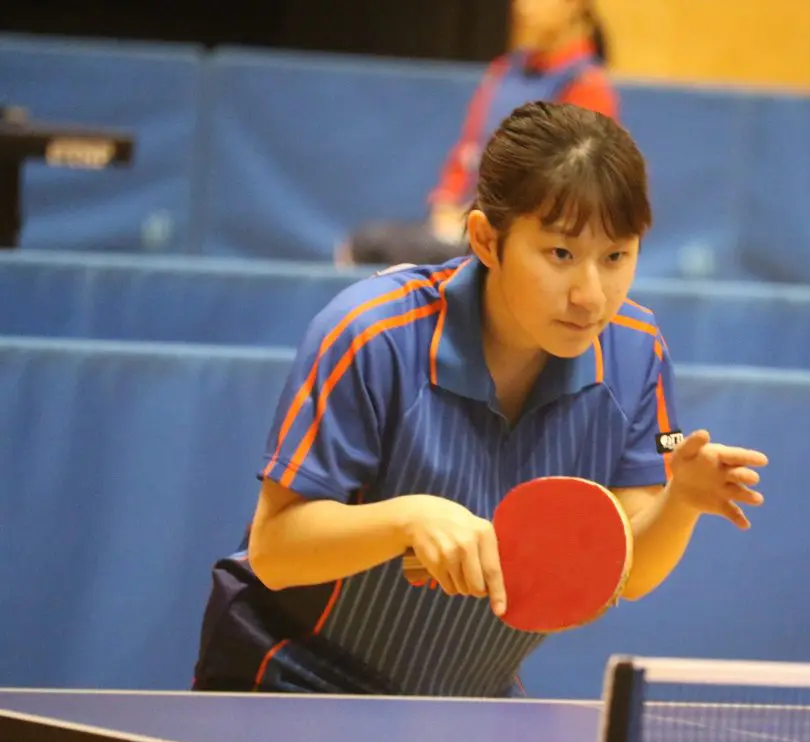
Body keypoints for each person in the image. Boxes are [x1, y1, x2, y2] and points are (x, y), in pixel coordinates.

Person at [192, 101, 770, 696]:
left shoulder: (637, 353)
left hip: (464, 698)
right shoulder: (373, 336)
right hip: (294, 677)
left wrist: (681, 502)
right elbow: (275, 551)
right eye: (561, 254)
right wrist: (407, 520)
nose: (591, 296)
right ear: (486, 240)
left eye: (616, 256)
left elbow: (625, 570)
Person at [336, 0, 619, 268]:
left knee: (378, 248)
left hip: (518, 235)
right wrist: (447, 202)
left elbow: (567, 187)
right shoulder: (503, 70)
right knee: (361, 245)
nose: (523, 7)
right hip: (467, 221)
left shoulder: (587, 86)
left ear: (573, 5)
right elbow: (470, 149)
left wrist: (489, 220)